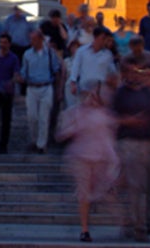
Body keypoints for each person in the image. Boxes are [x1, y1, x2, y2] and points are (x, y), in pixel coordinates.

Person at [56, 81, 121, 243]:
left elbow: (109, 140)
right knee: (83, 194)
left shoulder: (104, 115)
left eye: (94, 95)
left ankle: (121, 223)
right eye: (88, 95)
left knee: (103, 192)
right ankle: (84, 229)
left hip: (100, 159)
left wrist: (113, 160)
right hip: (81, 158)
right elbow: (61, 134)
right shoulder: (75, 113)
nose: (91, 98)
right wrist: (73, 129)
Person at [113, 61, 150, 242]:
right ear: (124, 74)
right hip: (131, 143)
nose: (134, 74)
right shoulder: (120, 94)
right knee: (136, 186)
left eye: (136, 71)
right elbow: (112, 118)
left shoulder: (149, 93)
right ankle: (138, 226)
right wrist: (131, 121)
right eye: (129, 71)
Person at [18, 28, 60, 155]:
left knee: (44, 117)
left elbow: (56, 70)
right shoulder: (27, 54)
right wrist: (20, 78)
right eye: (31, 39)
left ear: (40, 39)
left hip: (46, 86)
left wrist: (58, 89)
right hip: (32, 87)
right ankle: (34, 140)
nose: (32, 42)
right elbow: (24, 71)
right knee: (32, 116)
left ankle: (41, 144)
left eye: (34, 39)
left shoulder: (50, 53)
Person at [68, 26, 115, 98]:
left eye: (106, 38)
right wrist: (73, 83)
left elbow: (112, 71)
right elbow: (75, 68)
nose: (105, 40)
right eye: (103, 38)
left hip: (100, 91)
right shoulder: (81, 51)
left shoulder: (108, 54)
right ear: (96, 37)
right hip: (84, 90)